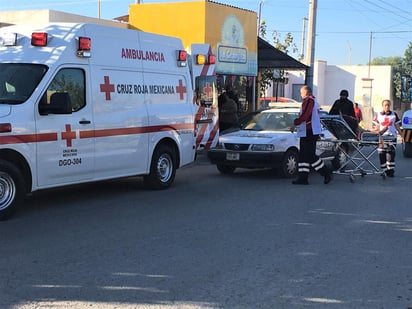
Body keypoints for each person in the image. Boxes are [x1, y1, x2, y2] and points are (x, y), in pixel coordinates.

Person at [290, 85, 332, 185]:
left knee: (309, 155)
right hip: (307, 131)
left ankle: (325, 173)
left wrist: (295, 123)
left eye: (301, 92)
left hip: (310, 131)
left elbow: (305, 115)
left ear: (306, 92)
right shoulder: (311, 101)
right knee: (304, 155)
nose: (300, 94)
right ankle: (303, 177)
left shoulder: (309, 101)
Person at [373, 99, 403, 177]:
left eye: (388, 105)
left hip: (392, 137)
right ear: (382, 106)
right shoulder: (378, 115)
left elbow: (397, 126)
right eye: (385, 105)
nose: (387, 106)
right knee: (381, 153)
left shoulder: (394, 114)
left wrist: (401, 135)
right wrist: (376, 133)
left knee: (390, 153)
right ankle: (384, 170)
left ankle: (390, 171)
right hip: (381, 138)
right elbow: (376, 127)